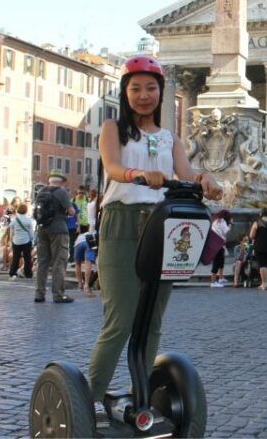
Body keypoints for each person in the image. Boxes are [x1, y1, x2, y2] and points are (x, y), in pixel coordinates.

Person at [88, 55, 222, 411]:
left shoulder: (168, 138)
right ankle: (87, 398)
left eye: (151, 88)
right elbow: (113, 167)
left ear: (161, 92)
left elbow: (186, 171)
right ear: (125, 92)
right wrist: (138, 175)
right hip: (121, 222)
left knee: (151, 319)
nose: (144, 95)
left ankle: (140, 399)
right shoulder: (112, 128)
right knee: (121, 318)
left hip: (163, 225)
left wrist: (204, 179)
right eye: (136, 88)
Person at [34, 170, 76, 303]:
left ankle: (39, 293)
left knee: (42, 262)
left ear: (50, 180)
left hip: (42, 229)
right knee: (59, 261)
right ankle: (58, 294)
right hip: (58, 229)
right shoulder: (61, 192)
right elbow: (71, 211)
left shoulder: (41, 192)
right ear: (61, 181)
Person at [250, 208, 267, 291]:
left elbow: (252, 236)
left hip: (260, 246)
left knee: (262, 265)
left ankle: (264, 283)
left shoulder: (257, 223)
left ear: (260, 214)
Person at [9, 203, 35, 279]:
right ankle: (28, 274)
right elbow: (31, 233)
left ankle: (13, 272)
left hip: (16, 241)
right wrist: (32, 240)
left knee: (15, 258)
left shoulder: (14, 220)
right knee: (27, 258)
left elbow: (11, 233)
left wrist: (11, 241)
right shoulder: (28, 220)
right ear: (26, 210)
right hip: (26, 241)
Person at [209, 210, 232, 288]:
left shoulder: (215, 220)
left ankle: (220, 278)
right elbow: (226, 231)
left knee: (220, 261)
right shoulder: (222, 222)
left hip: (216, 243)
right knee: (216, 262)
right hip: (219, 244)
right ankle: (213, 282)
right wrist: (230, 224)